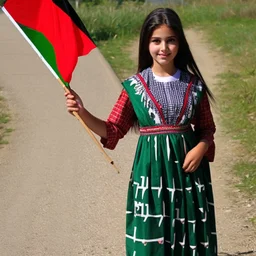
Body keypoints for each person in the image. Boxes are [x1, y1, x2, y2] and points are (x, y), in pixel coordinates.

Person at [65, 7, 217, 256]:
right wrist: (82, 111)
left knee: (188, 237)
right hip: (151, 174)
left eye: (170, 40)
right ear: (146, 43)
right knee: (151, 237)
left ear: (180, 43)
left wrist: (201, 148)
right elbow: (113, 130)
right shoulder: (134, 87)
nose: (163, 48)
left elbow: (207, 129)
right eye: (156, 41)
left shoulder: (194, 84)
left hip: (189, 175)